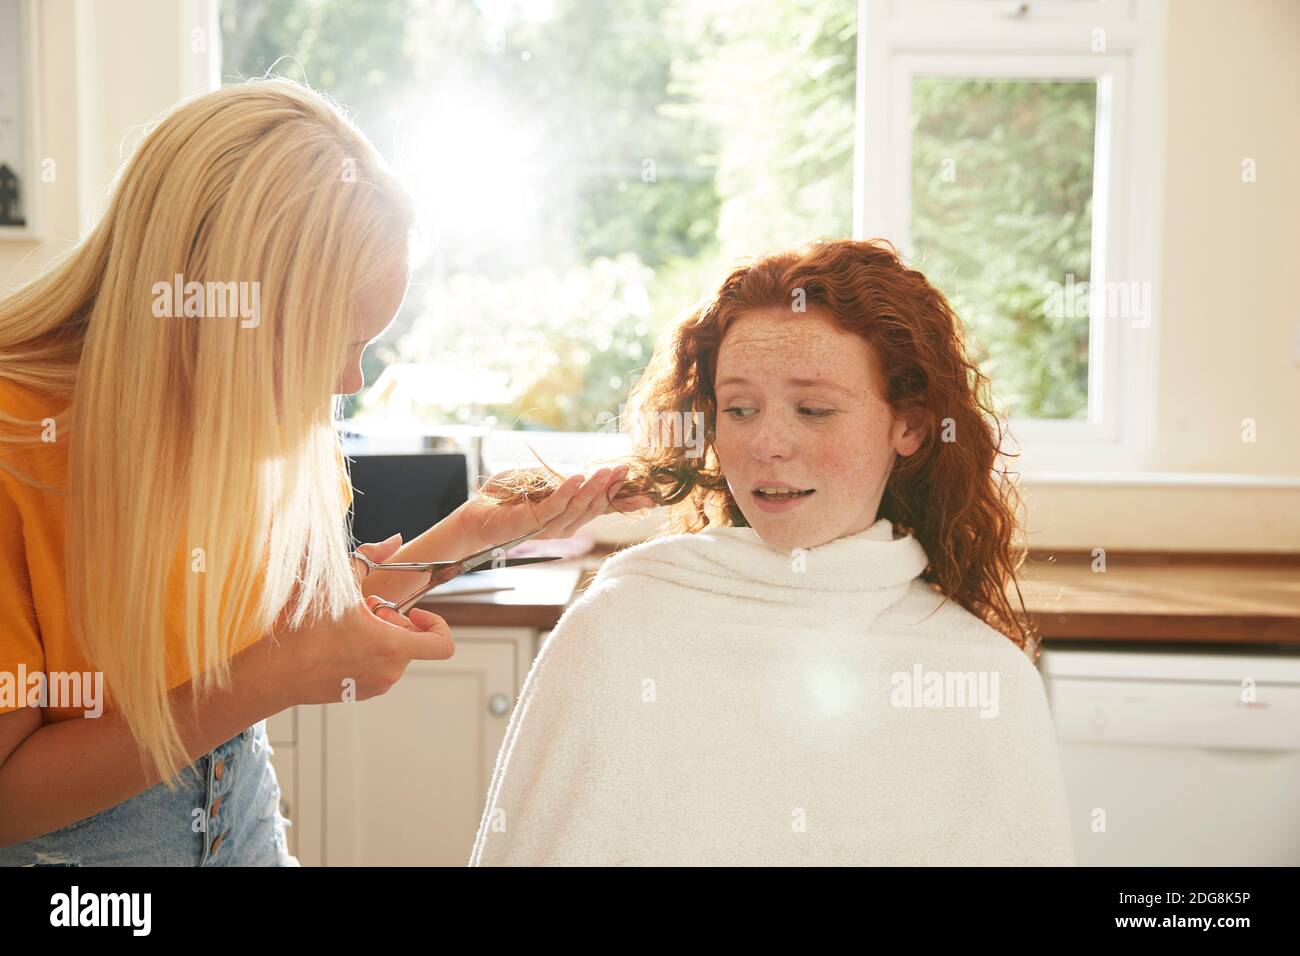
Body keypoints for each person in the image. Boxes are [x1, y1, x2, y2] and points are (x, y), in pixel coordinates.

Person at [0, 78, 648, 865]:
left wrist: (479, 532)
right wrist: (267, 682)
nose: (353, 384)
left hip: (240, 819)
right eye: (333, 344)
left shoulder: (243, 423)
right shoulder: (15, 445)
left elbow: (290, 639)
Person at [469, 238, 1076, 866]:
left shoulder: (984, 679)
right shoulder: (620, 627)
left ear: (911, 425)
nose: (767, 444)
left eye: (813, 409)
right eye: (739, 409)